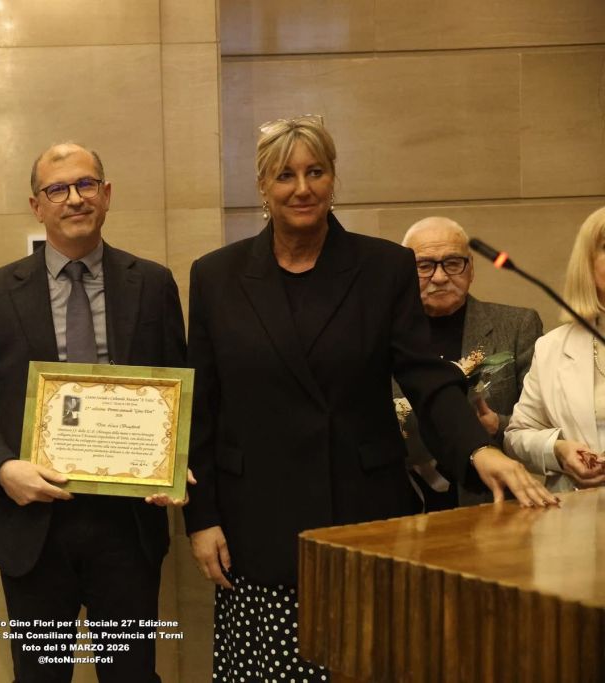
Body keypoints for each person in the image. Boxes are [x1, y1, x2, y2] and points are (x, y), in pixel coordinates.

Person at [181, 116, 558, 683]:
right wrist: (200, 517)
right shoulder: (216, 276)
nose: (302, 188)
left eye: (316, 171)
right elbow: (202, 407)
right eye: (285, 175)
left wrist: (480, 452)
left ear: (334, 179)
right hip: (256, 518)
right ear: (262, 186)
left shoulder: (383, 268)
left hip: (361, 513)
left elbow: (426, 377)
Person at [0, 142, 187, 683]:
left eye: (86, 184)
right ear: (37, 206)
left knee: (131, 675)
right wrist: (5, 469)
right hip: (34, 529)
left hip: (127, 528)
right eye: (58, 189)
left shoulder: (152, 283)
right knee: (40, 677)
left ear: (106, 194)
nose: (74, 199)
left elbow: (178, 389)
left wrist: (175, 458)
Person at [397, 217, 543, 509]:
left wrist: (496, 425)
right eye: (424, 265)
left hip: (493, 501)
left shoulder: (517, 326)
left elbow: (543, 421)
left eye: (452, 263)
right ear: (403, 273)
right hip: (405, 505)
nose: (439, 277)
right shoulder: (384, 335)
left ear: (471, 268)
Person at [505, 206, 605, 491]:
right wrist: (558, 450)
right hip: (577, 517)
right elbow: (517, 435)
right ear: (587, 263)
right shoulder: (552, 347)